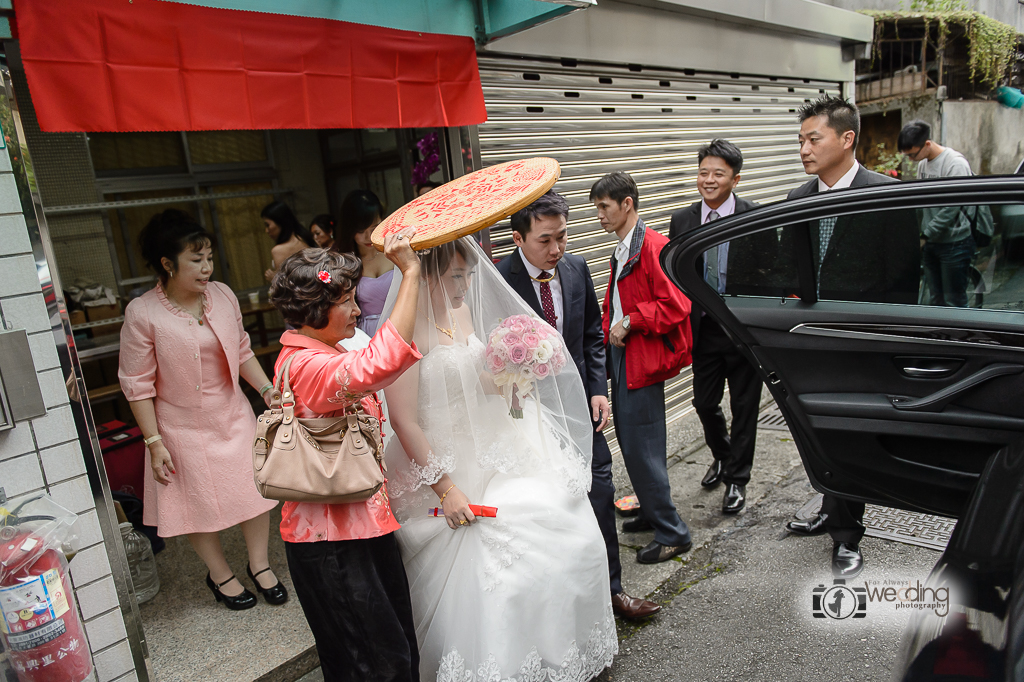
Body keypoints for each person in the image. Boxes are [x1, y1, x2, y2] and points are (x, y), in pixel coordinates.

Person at [382, 238, 617, 681]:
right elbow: (404, 420)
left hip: (491, 448)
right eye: (456, 276)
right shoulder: (404, 330)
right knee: (495, 562)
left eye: (468, 275)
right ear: (429, 274)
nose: (465, 285)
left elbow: (475, 382)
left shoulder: (462, 312)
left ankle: (557, 653)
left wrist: (513, 375)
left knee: (566, 526)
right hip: (441, 466)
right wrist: (447, 489)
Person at [496, 190, 661, 620]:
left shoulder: (575, 266)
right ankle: (565, 607)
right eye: (545, 240)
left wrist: (597, 389)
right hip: (529, 416)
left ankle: (612, 592)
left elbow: (591, 334)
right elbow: (490, 354)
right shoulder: (498, 280)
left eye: (563, 237)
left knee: (600, 493)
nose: (556, 249)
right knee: (550, 509)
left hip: (581, 412)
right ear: (518, 238)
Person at [267, 229, 423, 682]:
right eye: (348, 301)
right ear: (316, 310)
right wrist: (410, 272)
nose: (358, 309)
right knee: (375, 663)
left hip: (359, 525)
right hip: (332, 541)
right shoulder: (307, 365)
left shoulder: (321, 352)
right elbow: (379, 364)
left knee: (388, 651)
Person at [119, 209, 287, 610]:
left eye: (209, 258)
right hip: (180, 426)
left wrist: (265, 388)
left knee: (255, 491)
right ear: (167, 263)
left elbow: (242, 348)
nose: (207, 268)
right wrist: (154, 441)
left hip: (231, 412)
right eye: (196, 260)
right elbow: (137, 384)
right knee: (197, 504)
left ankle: (260, 565)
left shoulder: (223, 295)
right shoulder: (142, 313)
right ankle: (220, 574)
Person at [782, 95, 919, 578]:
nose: (803, 149)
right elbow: (788, 274)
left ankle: (846, 535)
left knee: (851, 437)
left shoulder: (886, 196)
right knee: (815, 433)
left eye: (812, 139)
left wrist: (892, 348)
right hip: (807, 342)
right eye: (800, 140)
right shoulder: (797, 201)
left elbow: (905, 283)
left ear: (846, 139)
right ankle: (830, 504)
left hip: (862, 343)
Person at [592, 171, 694, 564]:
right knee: (636, 446)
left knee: (641, 448)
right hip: (625, 354)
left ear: (626, 204)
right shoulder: (625, 246)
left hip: (641, 356)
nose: (599, 215)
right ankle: (653, 514)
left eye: (604, 207)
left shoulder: (653, 246)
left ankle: (673, 533)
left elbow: (677, 306)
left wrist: (631, 321)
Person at [668, 139, 768, 515]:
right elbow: (675, 274)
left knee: (745, 408)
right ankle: (723, 455)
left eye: (718, 174)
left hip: (742, 330)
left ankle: (737, 480)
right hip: (704, 328)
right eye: (703, 172)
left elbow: (768, 273)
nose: (708, 180)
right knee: (705, 403)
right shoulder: (683, 220)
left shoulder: (753, 215)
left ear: (735, 178)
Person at [898, 119, 976, 307]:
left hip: (954, 243)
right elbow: (922, 202)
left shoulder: (955, 164)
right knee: (935, 301)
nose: (911, 160)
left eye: (913, 154)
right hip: (931, 243)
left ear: (927, 144)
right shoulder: (923, 164)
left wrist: (926, 235)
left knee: (953, 302)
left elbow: (951, 208)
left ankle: (958, 337)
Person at [336, 189, 394, 335]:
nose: (368, 236)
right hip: (366, 334)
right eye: (361, 231)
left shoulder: (395, 249)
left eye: (374, 228)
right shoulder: (342, 261)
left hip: (400, 325)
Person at [262, 201, 314, 283]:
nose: (267, 230)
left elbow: (286, 285)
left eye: (268, 225)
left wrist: (274, 279)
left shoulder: (278, 250)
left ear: (280, 222)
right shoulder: (305, 238)